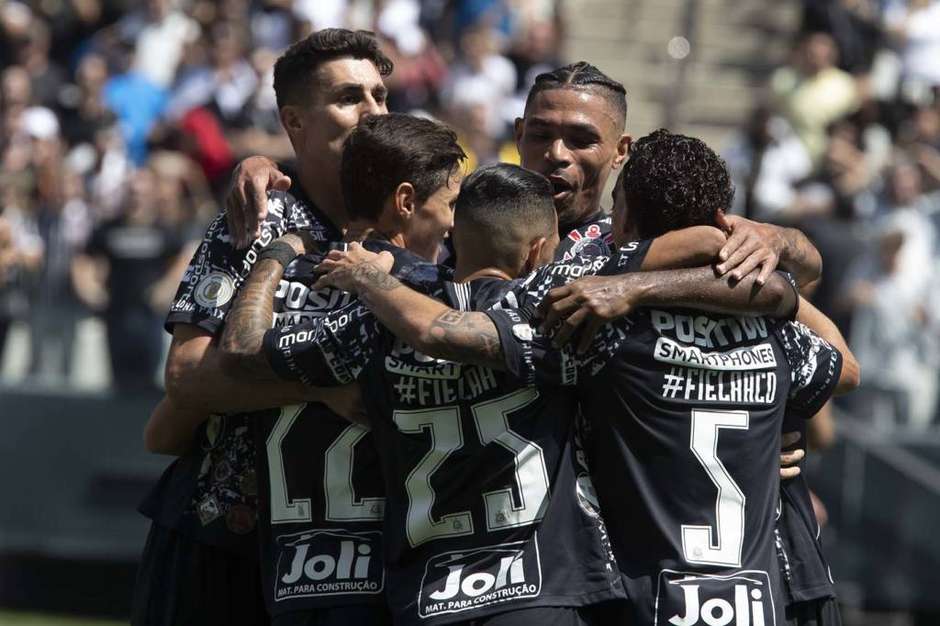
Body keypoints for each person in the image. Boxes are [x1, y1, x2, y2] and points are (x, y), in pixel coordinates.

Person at [309, 130, 860, 626]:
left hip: (637, 596)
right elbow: (844, 366)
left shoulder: (597, 327)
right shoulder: (775, 335)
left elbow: (442, 333)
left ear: (622, 219)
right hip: (764, 597)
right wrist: (771, 274)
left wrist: (364, 284)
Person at [132, 28, 392, 626]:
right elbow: (187, 375)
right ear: (295, 122)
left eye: (381, 94)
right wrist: (320, 384)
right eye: (350, 97)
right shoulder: (258, 214)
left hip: (352, 551)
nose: (374, 111)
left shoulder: (413, 219)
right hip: (224, 540)